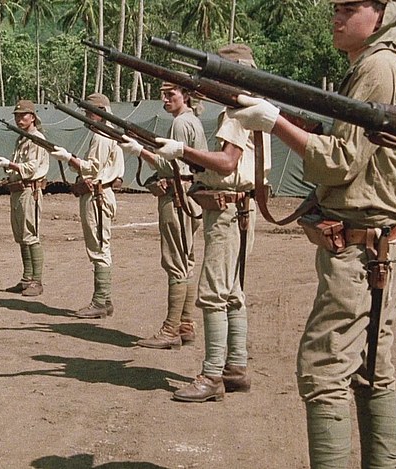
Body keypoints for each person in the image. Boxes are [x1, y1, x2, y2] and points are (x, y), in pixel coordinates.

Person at [226, 1, 396, 465]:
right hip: (380, 243)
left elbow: (340, 162)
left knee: (324, 369)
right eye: (335, 7)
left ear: (382, 13)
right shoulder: (382, 65)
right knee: (371, 368)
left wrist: (276, 124)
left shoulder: (378, 68)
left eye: (349, 7)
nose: (336, 16)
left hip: (363, 247)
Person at [143, 44, 271, 402]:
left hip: (228, 211)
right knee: (232, 292)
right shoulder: (254, 109)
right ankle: (235, 367)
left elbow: (227, 163)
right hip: (241, 208)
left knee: (214, 294)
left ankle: (213, 374)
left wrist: (182, 152)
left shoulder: (237, 113)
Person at [119, 82, 208, 349]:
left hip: (177, 197)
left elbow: (171, 166)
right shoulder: (192, 121)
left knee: (176, 263)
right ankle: (186, 324)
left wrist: (140, 151)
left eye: (171, 95)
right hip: (190, 197)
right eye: (163, 95)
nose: (165, 99)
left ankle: (171, 329)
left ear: (186, 96)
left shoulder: (181, 124)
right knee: (186, 262)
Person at [50, 92, 125, 319]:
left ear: (99, 113)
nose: (86, 116)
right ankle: (105, 299)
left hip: (97, 197)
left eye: (89, 112)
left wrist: (68, 158)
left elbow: (92, 169)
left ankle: (100, 301)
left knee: (99, 249)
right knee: (99, 247)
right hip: (98, 194)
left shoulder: (102, 136)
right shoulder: (107, 134)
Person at [0, 99, 50, 296]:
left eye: (23, 115)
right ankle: (26, 278)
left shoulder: (36, 139)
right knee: (22, 236)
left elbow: (30, 168)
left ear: (32, 117)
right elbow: (18, 166)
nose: (19, 119)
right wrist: (6, 168)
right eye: (16, 115)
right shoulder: (22, 139)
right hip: (18, 191)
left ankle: (37, 281)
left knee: (31, 235)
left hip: (30, 191)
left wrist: (10, 165)